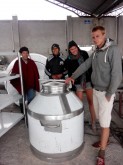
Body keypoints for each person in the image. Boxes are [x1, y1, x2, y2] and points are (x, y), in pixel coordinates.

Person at [65, 26, 122, 165]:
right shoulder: (95, 52)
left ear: (104, 35)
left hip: (106, 93)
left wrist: (110, 93)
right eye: (93, 37)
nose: (95, 39)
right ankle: (105, 139)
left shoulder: (113, 50)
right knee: (98, 116)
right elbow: (85, 65)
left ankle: (102, 152)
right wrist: (72, 77)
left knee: (105, 121)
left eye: (97, 36)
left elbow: (117, 74)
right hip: (96, 90)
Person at [65, 40, 96, 130]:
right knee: (79, 104)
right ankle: (79, 123)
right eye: (71, 49)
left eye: (74, 48)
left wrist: (92, 79)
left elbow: (89, 67)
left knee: (91, 102)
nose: (73, 50)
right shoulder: (68, 60)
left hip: (87, 81)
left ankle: (93, 122)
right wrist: (72, 82)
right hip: (78, 83)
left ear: (77, 47)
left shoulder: (84, 54)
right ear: (69, 50)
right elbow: (70, 74)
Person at [10, 46, 40, 113]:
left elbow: (36, 73)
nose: (25, 54)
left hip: (30, 85)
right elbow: (14, 72)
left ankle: (30, 112)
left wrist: (36, 82)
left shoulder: (32, 62)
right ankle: (23, 113)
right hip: (21, 84)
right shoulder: (18, 62)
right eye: (24, 53)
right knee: (21, 99)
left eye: (27, 53)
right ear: (21, 54)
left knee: (31, 98)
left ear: (28, 54)